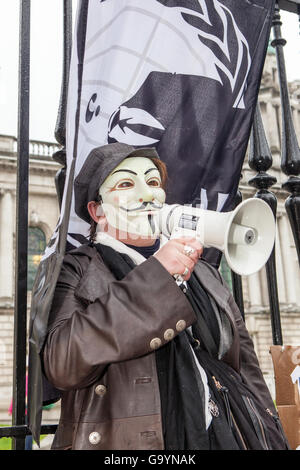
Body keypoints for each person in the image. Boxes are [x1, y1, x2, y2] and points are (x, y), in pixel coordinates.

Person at [42, 142, 289, 450]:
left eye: (154, 182)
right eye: (126, 183)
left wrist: (272, 435)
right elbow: (62, 362)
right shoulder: (76, 269)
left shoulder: (203, 273)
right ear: (97, 211)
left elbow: (246, 369)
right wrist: (157, 275)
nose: (148, 194)